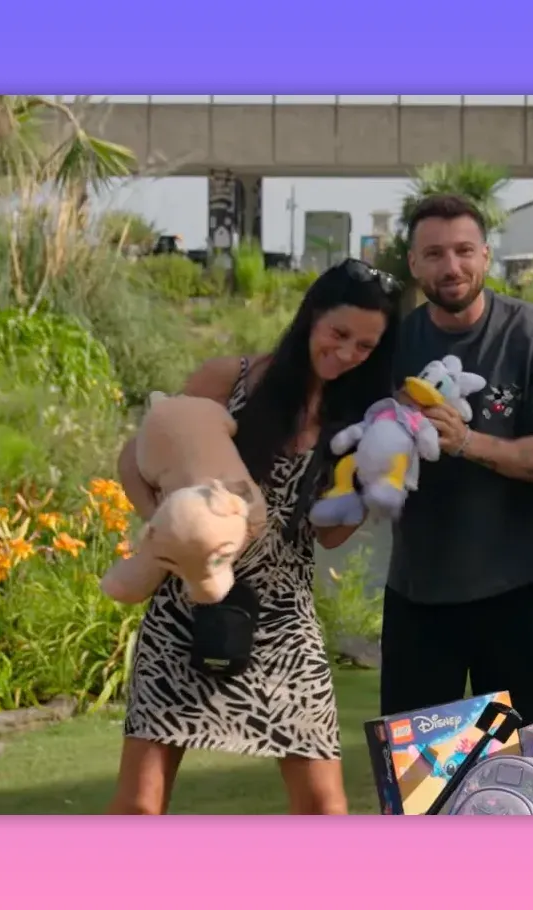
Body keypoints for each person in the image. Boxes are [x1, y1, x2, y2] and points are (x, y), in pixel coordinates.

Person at [110, 259, 404, 815]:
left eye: (365, 347)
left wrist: (374, 485)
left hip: (284, 623)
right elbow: (138, 458)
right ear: (311, 316)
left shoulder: (360, 419)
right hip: (185, 610)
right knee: (139, 807)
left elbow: (332, 538)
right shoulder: (230, 380)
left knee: (324, 808)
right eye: (338, 334)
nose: (346, 354)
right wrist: (171, 532)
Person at [379, 194, 533, 728]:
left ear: (487, 256)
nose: (451, 267)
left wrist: (466, 442)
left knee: (522, 775)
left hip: (516, 591)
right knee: (419, 789)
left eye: (463, 250)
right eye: (434, 254)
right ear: (413, 264)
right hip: (418, 592)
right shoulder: (389, 345)